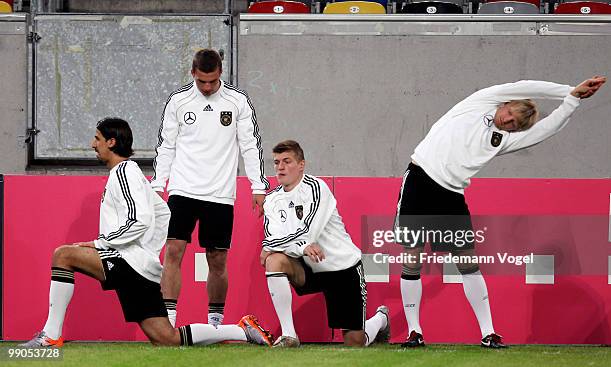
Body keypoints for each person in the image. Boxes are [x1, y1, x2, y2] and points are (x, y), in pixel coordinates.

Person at [21, 118, 273, 348]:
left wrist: (103, 243)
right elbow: (162, 213)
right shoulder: (129, 173)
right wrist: (147, 253)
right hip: (138, 266)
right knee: (166, 339)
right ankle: (241, 330)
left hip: (127, 263)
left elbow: (139, 219)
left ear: (112, 142)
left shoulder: (123, 172)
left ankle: (51, 335)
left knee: (63, 255)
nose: (92, 144)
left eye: (97, 138)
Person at [395, 76, 607, 349]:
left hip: (452, 194)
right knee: (412, 257)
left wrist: (572, 102)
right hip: (420, 180)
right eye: (510, 113)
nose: (508, 121)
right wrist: (568, 90)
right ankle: (415, 331)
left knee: (467, 263)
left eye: (515, 124)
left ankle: (488, 333)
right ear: (506, 103)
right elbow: (527, 85)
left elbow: (546, 130)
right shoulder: (480, 101)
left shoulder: (502, 140)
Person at [151, 49, 269, 328]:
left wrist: (258, 185)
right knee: (173, 250)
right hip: (182, 189)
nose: (207, 87)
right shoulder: (178, 102)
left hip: (219, 192)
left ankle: (214, 324)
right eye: (202, 81)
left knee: (217, 259)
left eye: (212, 82)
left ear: (220, 74)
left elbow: (250, 145)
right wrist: (158, 184)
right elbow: (166, 146)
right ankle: (169, 321)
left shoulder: (237, 101)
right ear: (193, 73)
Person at [260, 140, 390, 348]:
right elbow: (271, 238)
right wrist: (296, 247)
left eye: (287, 161)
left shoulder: (316, 187)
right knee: (274, 261)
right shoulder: (272, 200)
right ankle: (289, 335)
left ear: (301, 164)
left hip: (342, 268)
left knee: (354, 343)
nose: (280, 167)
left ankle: (380, 319)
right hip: (309, 268)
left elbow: (309, 230)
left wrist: (273, 246)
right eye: (276, 162)